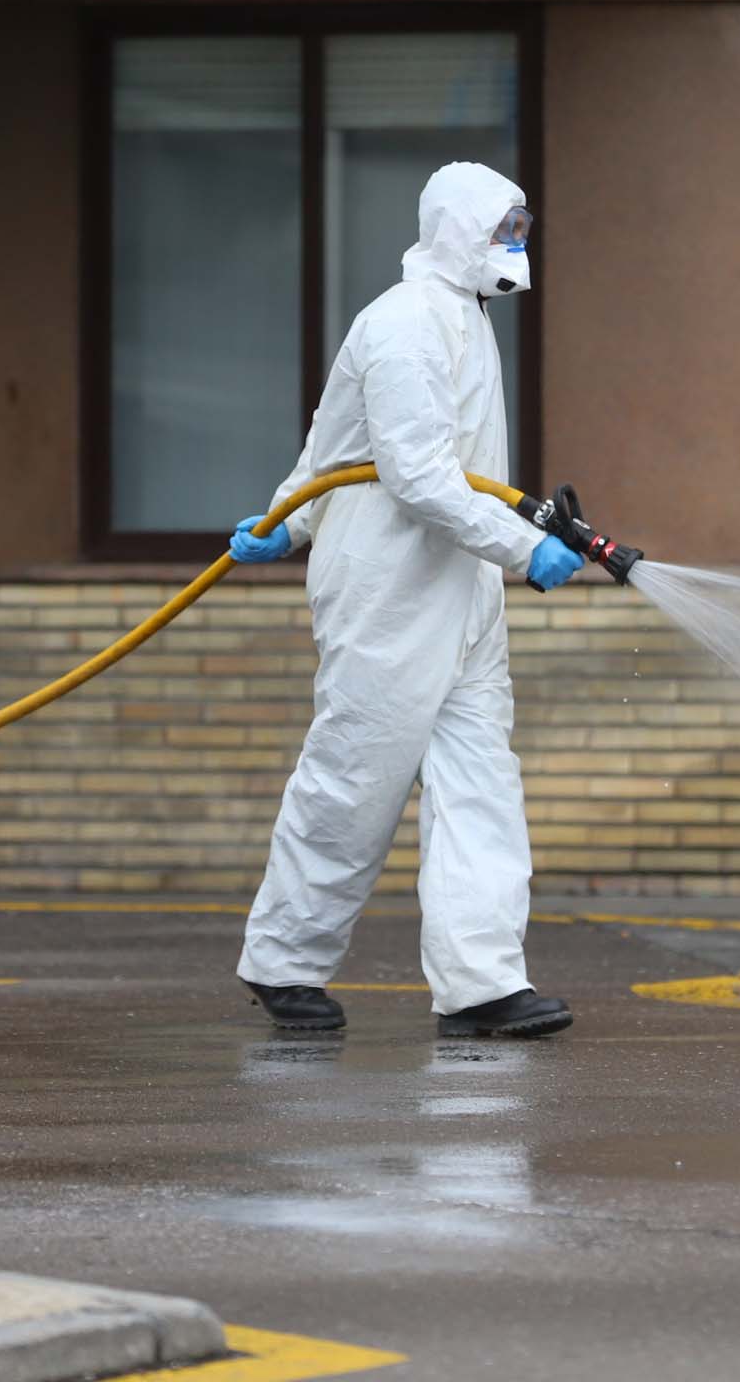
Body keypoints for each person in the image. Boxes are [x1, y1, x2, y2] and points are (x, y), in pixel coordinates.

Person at [228, 162, 580, 1040]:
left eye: (522, 229)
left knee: (481, 787)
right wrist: (520, 546)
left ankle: (483, 986)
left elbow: (331, 448)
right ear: (458, 229)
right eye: (505, 229)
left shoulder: (464, 318)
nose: (517, 246)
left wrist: (292, 510)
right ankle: (285, 962)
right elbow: (412, 475)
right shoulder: (403, 324)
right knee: (356, 782)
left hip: (461, 596)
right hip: (387, 589)